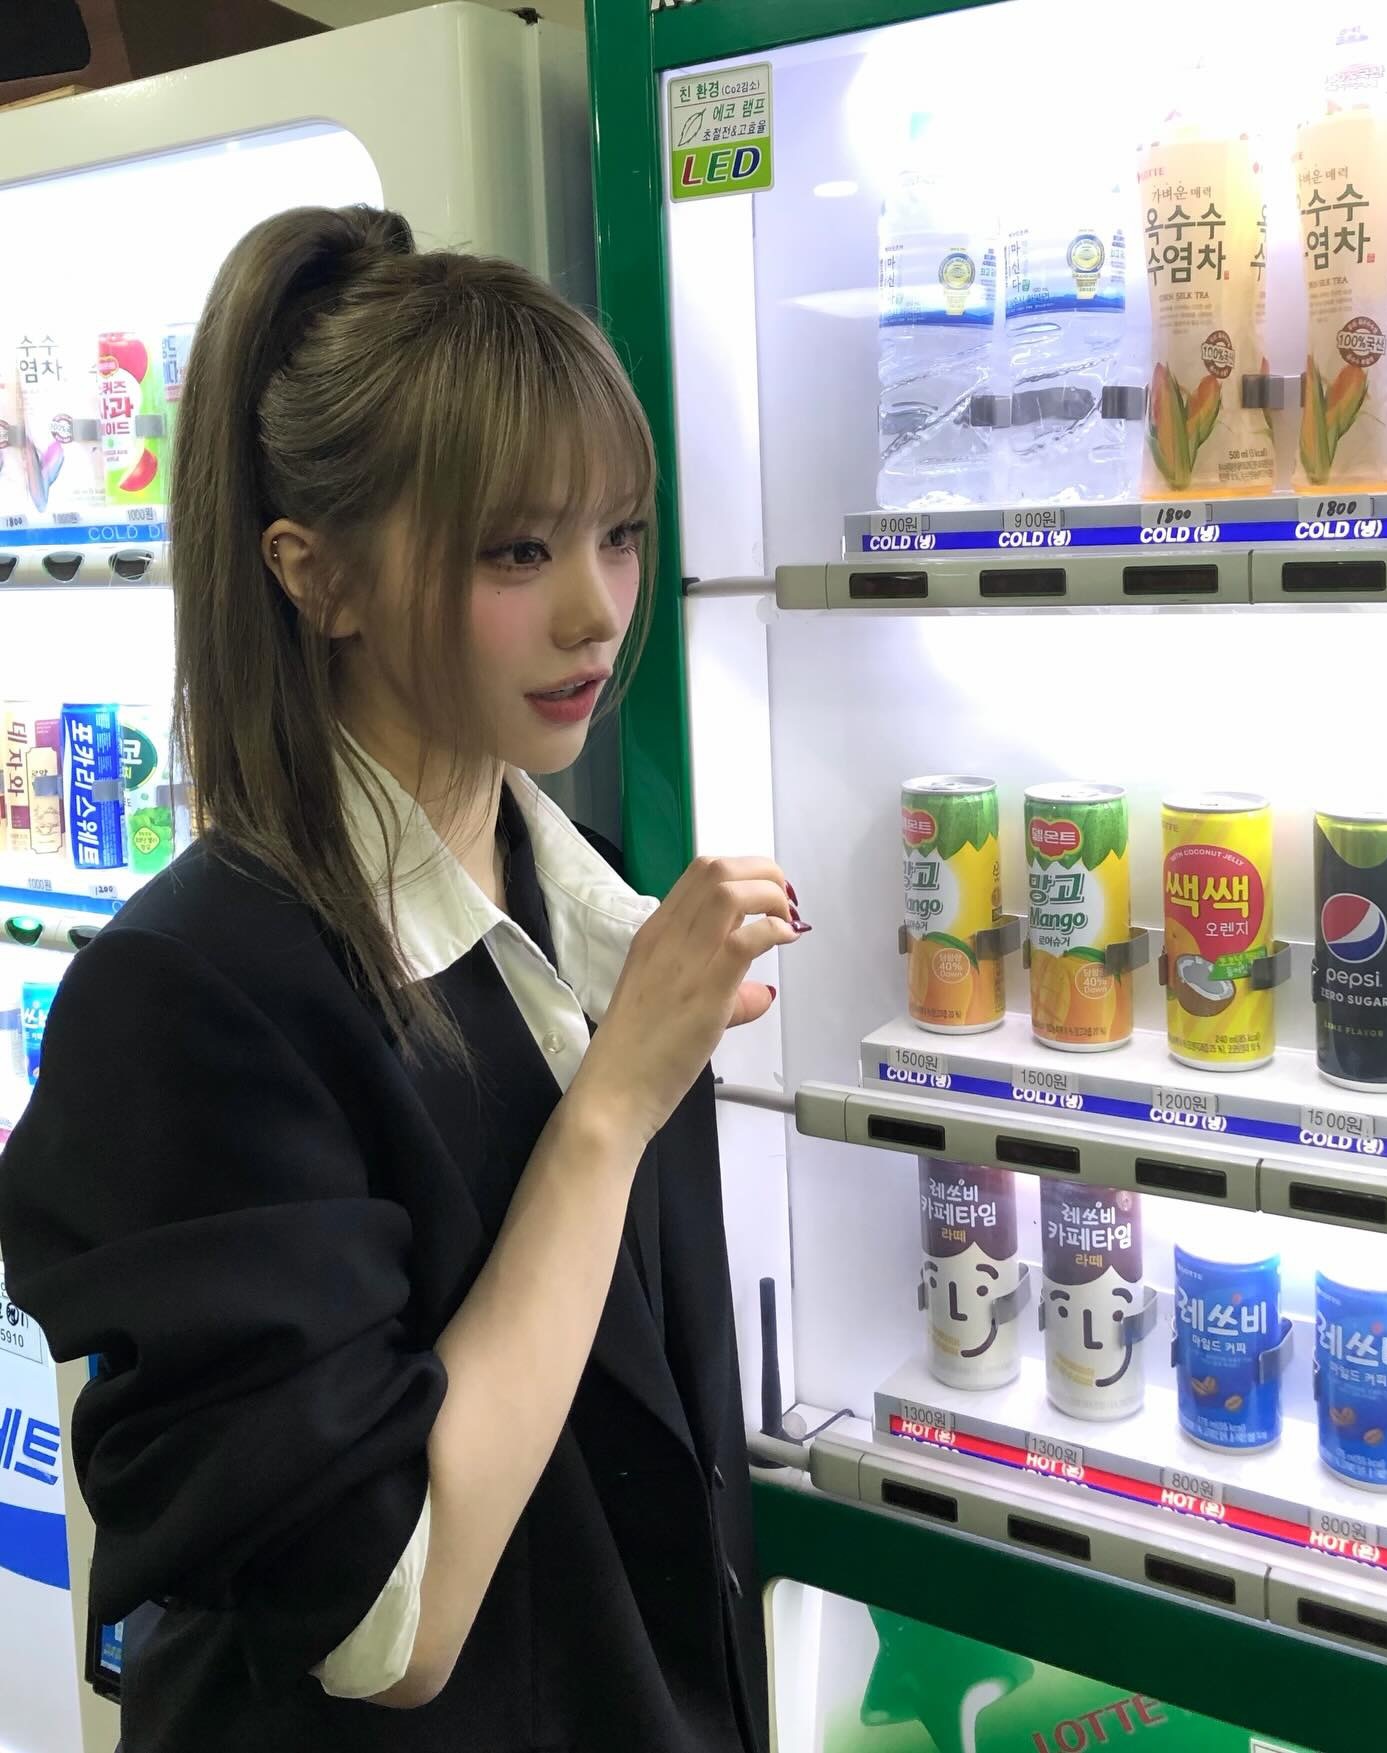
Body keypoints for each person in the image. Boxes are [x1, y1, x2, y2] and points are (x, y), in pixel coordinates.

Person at [0, 205, 806, 1752]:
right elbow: (387, 1624)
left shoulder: (582, 897)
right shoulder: (189, 998)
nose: (597, 609)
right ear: (320, 578)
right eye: (518, 550)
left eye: (618, 532)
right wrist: (611, 1108)